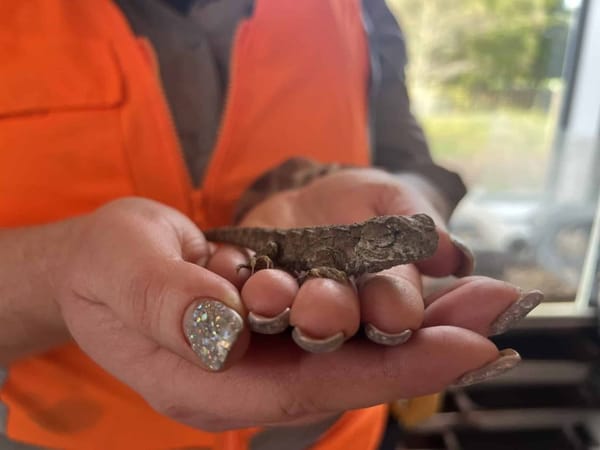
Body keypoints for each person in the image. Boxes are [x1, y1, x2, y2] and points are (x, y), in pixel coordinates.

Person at [0, 1, 542, 449]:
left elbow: (415, 163)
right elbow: (312, 260)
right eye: (398, 236)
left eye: (401, 237)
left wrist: (402, 195)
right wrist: (59, 269)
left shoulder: (361, 11)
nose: (404, 243)